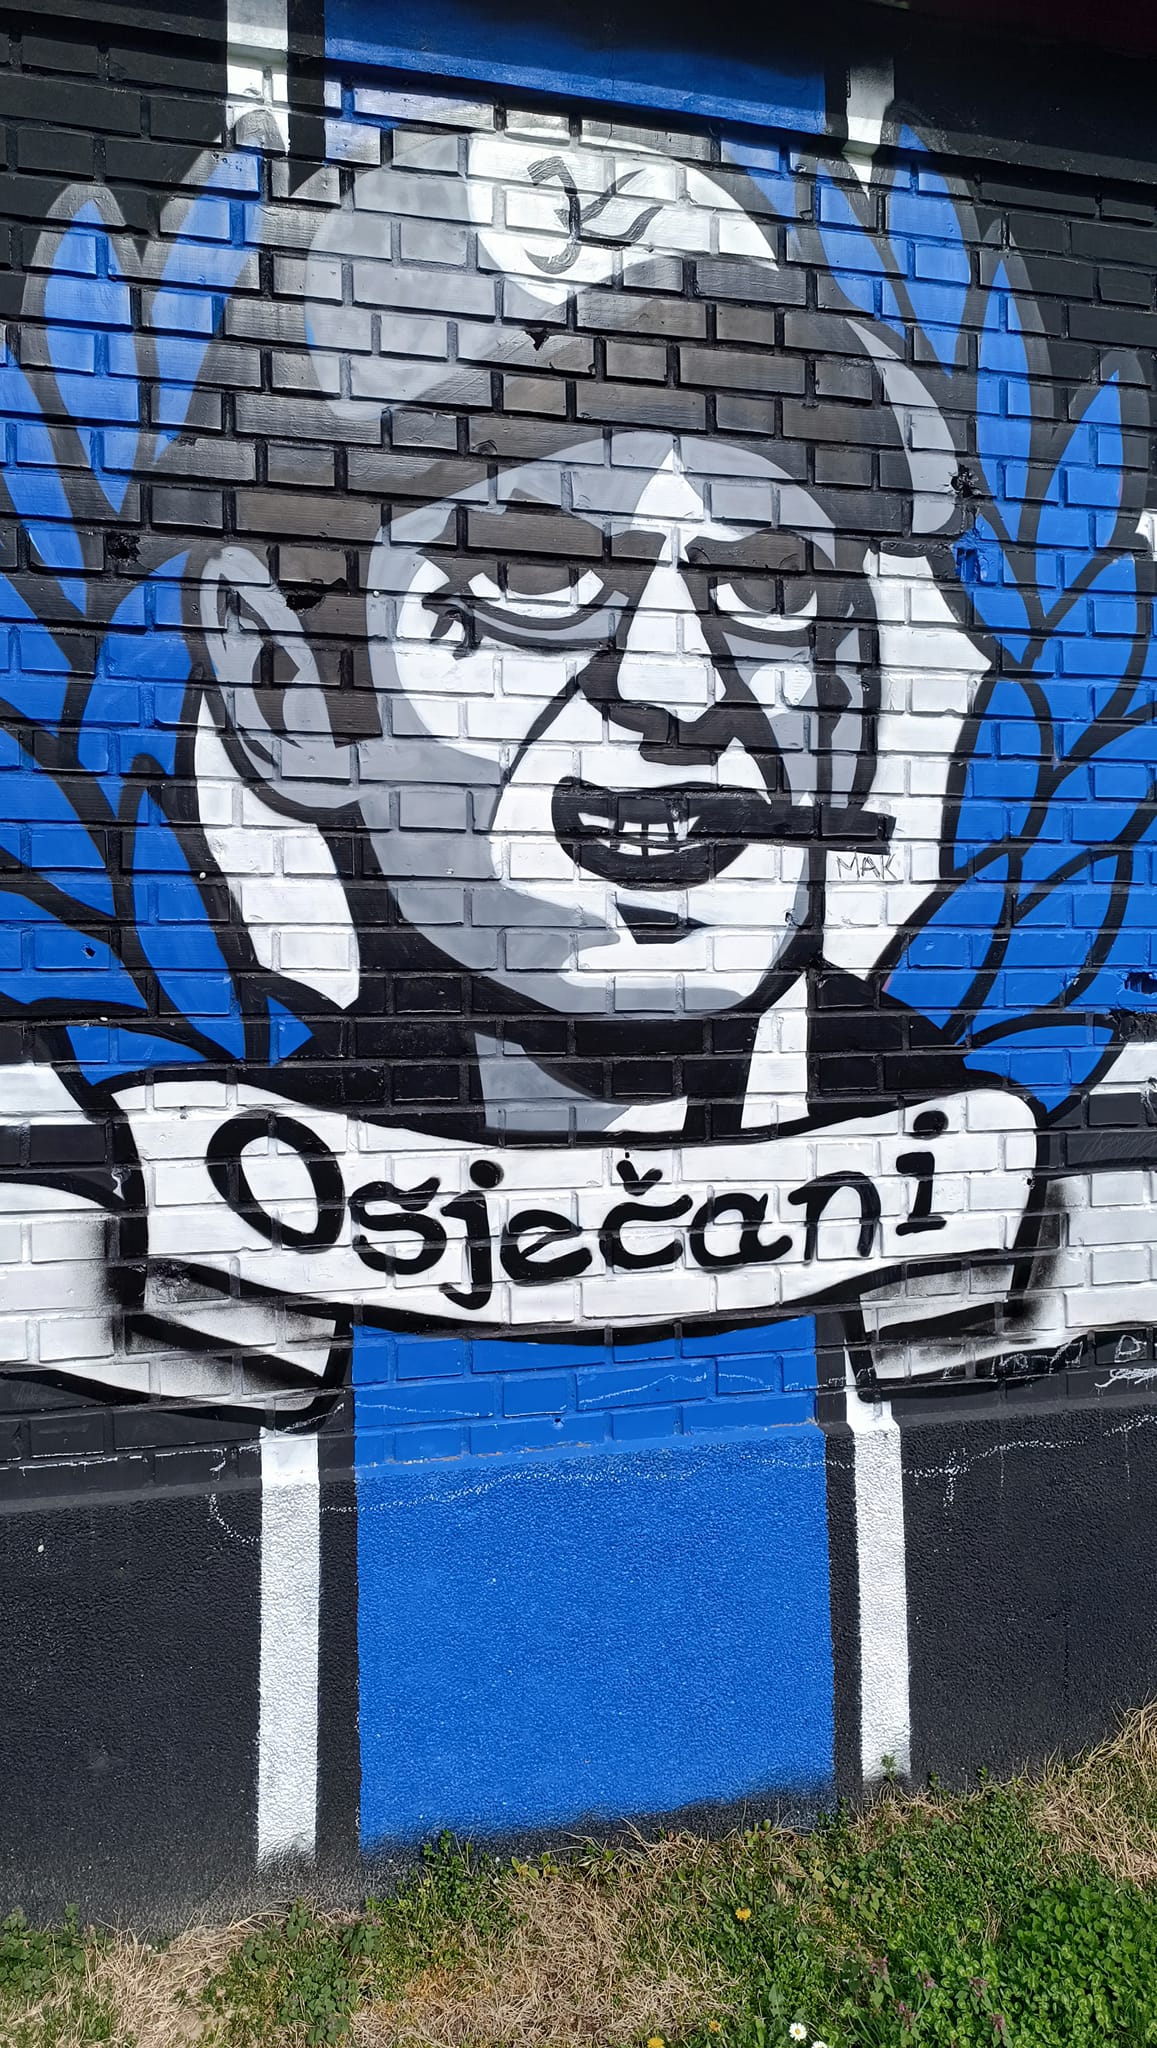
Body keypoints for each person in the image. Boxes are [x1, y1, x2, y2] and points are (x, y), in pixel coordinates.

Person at [193, 119, 972, 1150]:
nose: (678, 688)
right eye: (536, 578)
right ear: (281, 687)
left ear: (854, 705)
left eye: (771, 591)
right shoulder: (212, 1156)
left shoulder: (958, 1128)